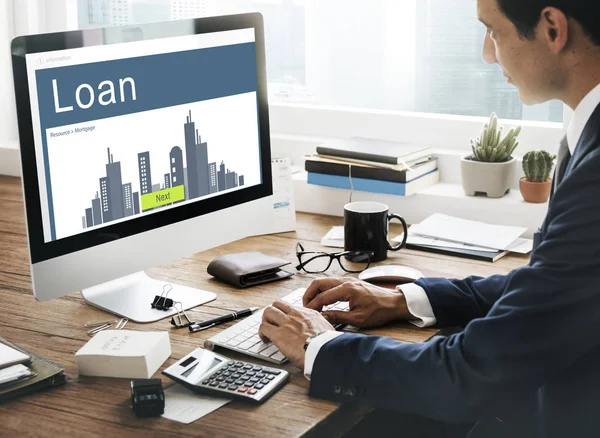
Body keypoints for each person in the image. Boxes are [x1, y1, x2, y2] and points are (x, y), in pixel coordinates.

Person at [258, 0, 600, 437]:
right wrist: (407, 300)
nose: (487, 54)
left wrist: (318, 346)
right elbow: (552, 285)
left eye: (493, 31)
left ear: (552, 29)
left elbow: (471, 376)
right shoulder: (586, 130)